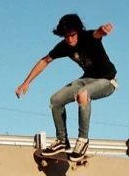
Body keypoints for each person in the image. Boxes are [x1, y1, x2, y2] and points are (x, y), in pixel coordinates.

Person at [15, 13, 118, 162]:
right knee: (55, 100)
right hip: (87, 79)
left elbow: (97, 34)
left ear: (78, 31)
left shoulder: (88, 37)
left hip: (107, 81)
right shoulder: (64, 46)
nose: (70, 40)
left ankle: (82, 141)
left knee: (82, 94)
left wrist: (103, 30)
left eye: (72, 35)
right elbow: (45, 61)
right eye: (66, 36)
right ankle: (62, 141)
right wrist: (26, 82)